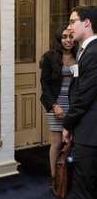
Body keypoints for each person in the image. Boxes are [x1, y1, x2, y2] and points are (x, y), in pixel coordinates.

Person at [63, 6, 97, 199]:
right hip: (87, 128)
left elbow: (84, 95)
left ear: (87, 23)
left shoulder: (93, 52)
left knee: (84, 185)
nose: (70, 27)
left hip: (90, 132)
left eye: (73, 21)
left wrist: (68, 124)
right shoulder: (86, 50)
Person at [40, 25, 76, 187]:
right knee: (57, 142)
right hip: (56, 104)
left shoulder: (81, 56)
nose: (68, 40)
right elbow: (45, 84)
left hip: (75, 104)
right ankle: (55, 178)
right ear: (58, 39)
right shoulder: (49, 57)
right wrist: (54, 105)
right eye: (64, 37)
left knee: (72, 141)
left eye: (70, 36)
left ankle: (69, 174)